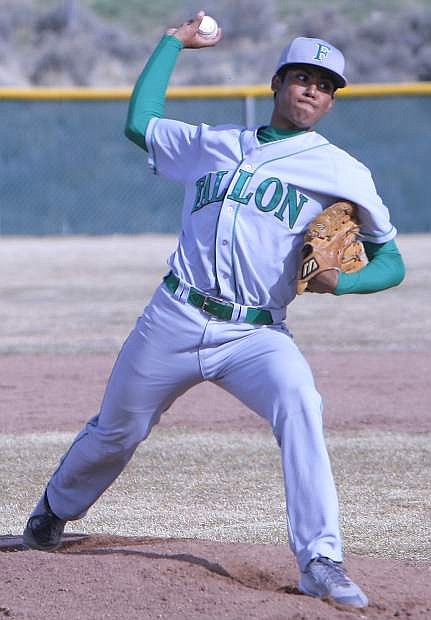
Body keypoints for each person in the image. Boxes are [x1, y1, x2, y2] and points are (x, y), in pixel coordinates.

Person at [23, 11, 405, 610]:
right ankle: (53, 510)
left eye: (326, 86)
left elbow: (392, 262)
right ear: (277, 84)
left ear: (332, 102)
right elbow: (139, 123)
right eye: (304, 77)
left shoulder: (343, 172)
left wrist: (340, 285)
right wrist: (172, 43)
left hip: (255, 334)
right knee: (118, 429)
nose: (314, 91)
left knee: (302, 404)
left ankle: (320, 559)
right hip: (174, 315)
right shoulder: (215, 143)